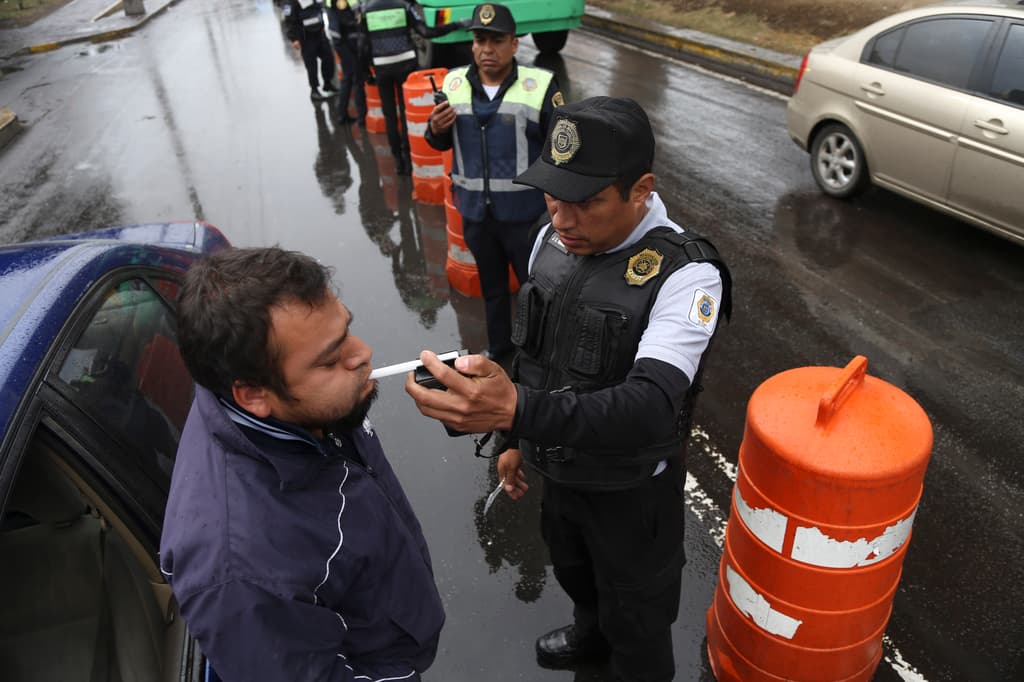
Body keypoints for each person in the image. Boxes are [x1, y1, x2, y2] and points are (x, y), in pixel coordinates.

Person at [406, 96, 732, 682]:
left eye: (585, 203)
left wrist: (516, 410)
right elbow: (533, 355)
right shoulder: (550, 240)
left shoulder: (687, 275)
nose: (562, 220)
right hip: (558, 472)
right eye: (553, 198)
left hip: (631, 492)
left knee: (637, 621)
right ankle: (589, 633)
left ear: (641, 190)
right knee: (573, 568)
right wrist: (514, 438)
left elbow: (650, 406)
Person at [160, 247, 445, 681]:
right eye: (330, 360)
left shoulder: (291, 402)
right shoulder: (242, 577)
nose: (362, 354)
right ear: (252, 395)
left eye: (347, 329)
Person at [425, 2, 562, 360]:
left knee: (537, 292)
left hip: (526, 218)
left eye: (497, 41)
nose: (487, 49)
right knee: (494, 292)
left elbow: (561, 151)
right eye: (480, 40)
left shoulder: (539, 86)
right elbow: (439, 140)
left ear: (514, 44)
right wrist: (435, 129)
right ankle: (500, 356)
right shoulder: (453, 83)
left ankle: (539, 359)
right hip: (476, 216)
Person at [359, 0, 468, 174]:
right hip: (406, 65)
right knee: (405, 114)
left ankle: (398, 162)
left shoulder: (366, 10)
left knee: (389, 115)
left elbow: (362, 46)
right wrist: (456, 24)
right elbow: (426, 32)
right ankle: (409, 161)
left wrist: (366, 74)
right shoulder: (403, 6)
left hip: (382, 67)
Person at [283, 0, 339, 101]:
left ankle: (327, 83)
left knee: (328, 58)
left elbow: (319, 9)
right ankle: (314, 90)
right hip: (305, 36)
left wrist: (323, 25)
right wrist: (294, 39)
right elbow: (289, 20)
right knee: (311, 65)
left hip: (319, 33)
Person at [324, 0, 368, 125]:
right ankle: (362, 117)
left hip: (342, 40)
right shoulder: (339, 2)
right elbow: (346, 19)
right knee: (357, 78)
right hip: (346, 41)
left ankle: (342, 114)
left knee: (348, 77)